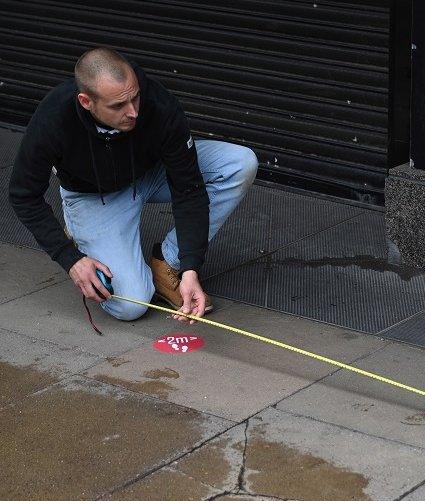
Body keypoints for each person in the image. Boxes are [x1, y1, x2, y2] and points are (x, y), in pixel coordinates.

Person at [9, 47, 257, 323]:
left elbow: (189, 189)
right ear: (86, 101)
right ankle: (82, 229)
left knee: (239, 163)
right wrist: (70, 259)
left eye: (135, 97)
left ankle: (168, 263)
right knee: (131, 305)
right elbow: (23, 196)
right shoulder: (54, 118)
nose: (133, 112)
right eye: (118, 106)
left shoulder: (159, 104)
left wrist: (190, 267)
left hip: (151, 173)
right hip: (93, 195)